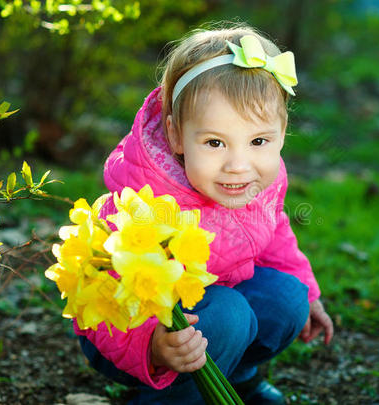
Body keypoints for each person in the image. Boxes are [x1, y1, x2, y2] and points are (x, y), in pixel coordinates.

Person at [74, 22, 334, 405]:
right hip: (137, 334)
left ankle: (236, 377)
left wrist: (309, 291)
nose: (238, 166)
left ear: (282, 132)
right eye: (215, 142)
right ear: (177, 136)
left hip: (216, 311)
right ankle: (165, 400)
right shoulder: (145, 204)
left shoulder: (262, 178)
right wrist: (154, 345)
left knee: (287, 299)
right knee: (230, 315)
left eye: (258, 141)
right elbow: (109, 296)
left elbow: (273, 231)